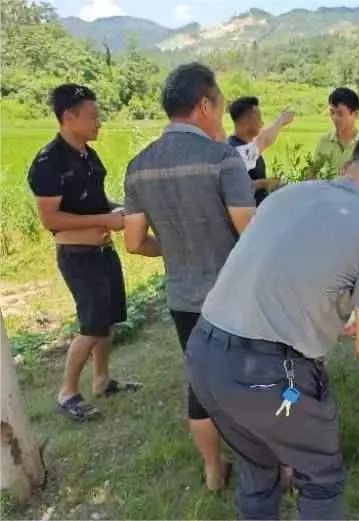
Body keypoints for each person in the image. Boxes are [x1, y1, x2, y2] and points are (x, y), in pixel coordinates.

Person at [184, 132, 359, 520]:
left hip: (204, 356)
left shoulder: (285, 196)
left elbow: (269, 274)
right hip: (270, 376)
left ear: (347, 168)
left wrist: (327, 319)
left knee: (260, 468)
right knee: (321, 480)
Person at [123, 63, 256, 491]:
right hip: (233, 296)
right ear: (204, 105)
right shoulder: (222, 158)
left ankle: (213, 469)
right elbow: (251, 232)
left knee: (200, 384)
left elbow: (134, 242)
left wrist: (175, 245)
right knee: (252, 377)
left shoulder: (138, 166)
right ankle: (266, 464)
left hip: (182, 298)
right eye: (218, 105)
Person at [27, 84, 140, 421]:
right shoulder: (48, 162)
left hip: (103, 250)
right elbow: (50, 219)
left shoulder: (88, 156)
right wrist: (105, 219)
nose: (99, 122)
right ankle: (67, 392)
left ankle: (102, 381)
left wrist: (122, 210)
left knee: (108, 320)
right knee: (91, 325)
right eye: (92, 116)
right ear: (68, 117)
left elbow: (97, 201)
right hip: (78, 255)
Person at [227, 96, 294, 205]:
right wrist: (266, 183)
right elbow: (236, 186)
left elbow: (264, 141)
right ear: (246, 121)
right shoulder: (235, 151)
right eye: (258, 118)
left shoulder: (244, 146)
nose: (262, 123)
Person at [312, 87, 359, 178]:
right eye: (332, 112)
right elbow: (312, 173)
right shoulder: (324, 141)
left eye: (340, 113)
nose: (334, 118)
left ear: (355, 114)